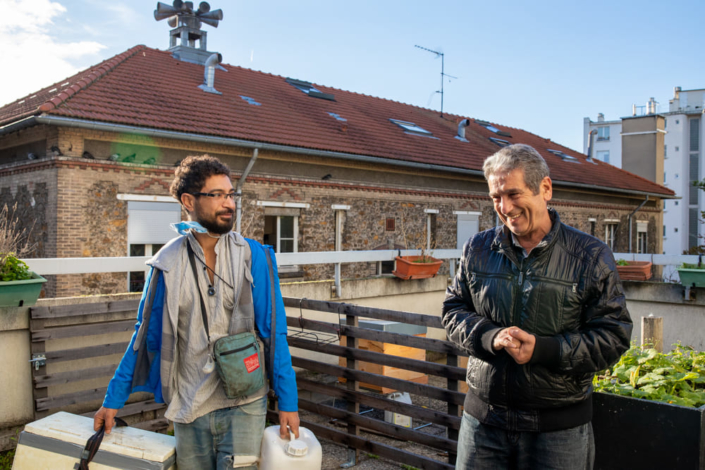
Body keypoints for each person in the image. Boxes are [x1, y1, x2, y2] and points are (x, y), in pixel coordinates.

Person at [94, 155, 299, 470]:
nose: (228, 203)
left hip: (245, 402)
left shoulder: (254, 257)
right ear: (188, 200)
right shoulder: (166, 264)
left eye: (230, 194)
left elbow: (275, 332)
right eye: (217, 195)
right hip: (189, 402)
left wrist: (288, 403)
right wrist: (113, 400)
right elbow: (143, 334)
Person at [442, 144, 632, 470]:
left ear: (545, 189)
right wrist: (489, 336)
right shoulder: (477, 248)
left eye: (513, 194)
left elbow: (613, 336)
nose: (504, 207)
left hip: (559, 433)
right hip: (483, 424)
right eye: (496, 197)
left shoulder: (590, 256)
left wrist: (545, 350)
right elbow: (453, 309)